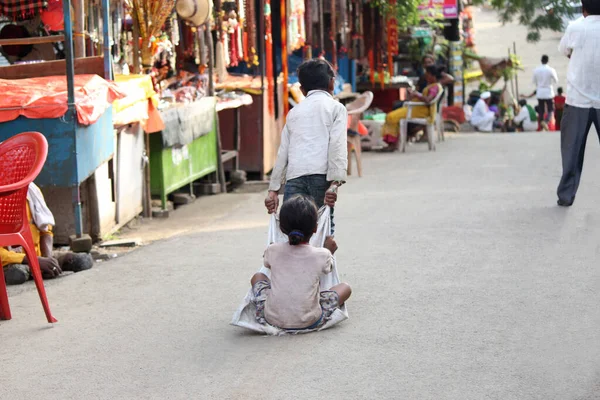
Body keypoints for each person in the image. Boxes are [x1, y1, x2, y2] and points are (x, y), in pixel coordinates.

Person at [265, 59, 347, 227]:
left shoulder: (294, 113)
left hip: (294, 178)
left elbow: (283, 152)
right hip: (321, 178)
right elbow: (337, 147)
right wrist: (335, 182)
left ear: (302, 90)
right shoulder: (336, 108)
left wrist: (273, 190)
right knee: (321, 229)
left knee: (294, 229)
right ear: (332, 83)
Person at [251, 195, 351, 330]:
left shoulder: (272, 249)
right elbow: (328, 269)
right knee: (345, 288)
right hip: (310, 320)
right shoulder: (322, 254)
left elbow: (267, 264)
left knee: (258, 276)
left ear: (281, 228)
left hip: (271, 319)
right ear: (315, 228)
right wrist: (330, 251)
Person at [1, 183, 94, 285]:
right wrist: (31, 260)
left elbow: (45, 230)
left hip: (37, 256)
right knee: (17, 273)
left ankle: (46, 266)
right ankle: (27, 269)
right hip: (10, 261)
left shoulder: (30, 190)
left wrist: (47, 258)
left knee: (78, 261)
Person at [556, 0, 600, 207]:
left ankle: (566, 195)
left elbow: (565, 50)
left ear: (584, 9)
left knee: (572, 151)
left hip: (577, 101)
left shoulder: (575, 27)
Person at [382, 65, 444, 150]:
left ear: (432, 75)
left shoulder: (434, 87)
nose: (426, 76)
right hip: (417, 109)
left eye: (427, 74)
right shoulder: (434, 85)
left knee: (391, 117)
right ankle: (394, 142)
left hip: (419, 111)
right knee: (392, 114)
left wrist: (416, 94)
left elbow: (428, 100)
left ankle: (392, 144)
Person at [532, 55, 559, 130]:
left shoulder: (536, 70)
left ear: (541, 60)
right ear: (547, 61)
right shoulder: (551, 70)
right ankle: (546, 122)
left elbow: (534, 81)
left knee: (541, 109)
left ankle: (541, 125)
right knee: (550, 109)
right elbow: (556, 80)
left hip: (540, 92)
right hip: (548, 92)